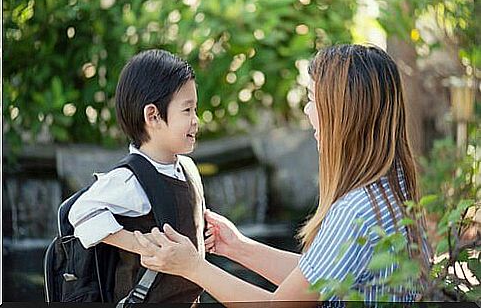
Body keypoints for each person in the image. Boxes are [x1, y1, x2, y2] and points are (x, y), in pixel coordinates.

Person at [133, 44, 432, 306]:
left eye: (313, 98)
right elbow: (316, 278)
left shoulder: (354, 211)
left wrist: (193, 267)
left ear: (343, 112)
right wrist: (237, 247)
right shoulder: (391, 191)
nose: (307, 110)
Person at [68, 49, 206, 304]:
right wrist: (138, 244)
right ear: (153, 116)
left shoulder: (187, 168)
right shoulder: (131, 180)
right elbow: (80, 212)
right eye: (187, 111)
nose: (196, 120)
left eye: (195, 109)